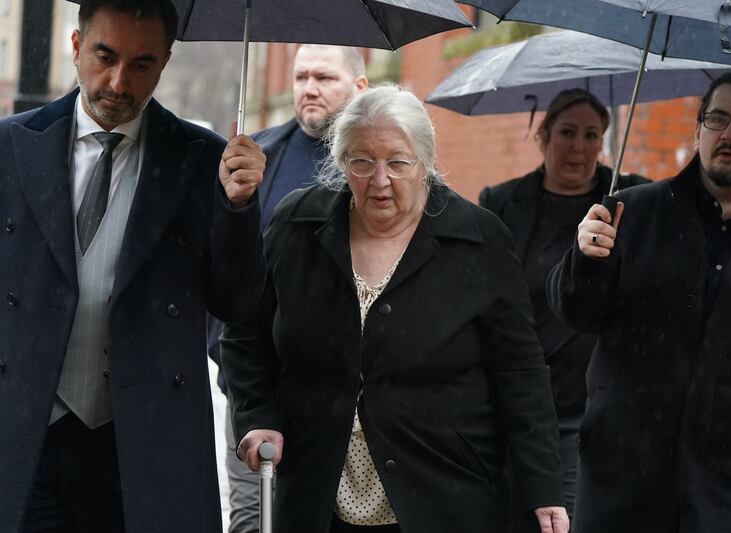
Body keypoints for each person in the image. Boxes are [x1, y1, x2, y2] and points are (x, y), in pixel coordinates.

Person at [220, 85, 569, 533]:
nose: (380, 180)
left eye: (398, 162)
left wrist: (543, 490)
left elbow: (521, 373)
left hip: (443, 493)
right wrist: (257, 417)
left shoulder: (479, 240)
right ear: (341, 163)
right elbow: (245, 332)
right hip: (316, 487)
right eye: (362, 162)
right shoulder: (296, 225)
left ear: (425, 163)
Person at [0, 1, 266, 532]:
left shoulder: (202, 159)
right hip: (25, 430)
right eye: (105, 56)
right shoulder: (9, 147)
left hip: (144, 443)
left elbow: (236, 302)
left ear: (165, 61)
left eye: (142, 64)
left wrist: (239, 209)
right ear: (76, 47)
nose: (119, 82)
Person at [548, 70, 731, 532]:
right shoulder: (631, 212)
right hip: (624, 484)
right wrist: (585, 257)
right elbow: (576, 311)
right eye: (717, 119)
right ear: (698, 128)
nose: (728, 134)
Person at [207, 44, 368, 533]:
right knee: (254, 517)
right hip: (255, 383)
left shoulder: (374, 164)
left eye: (324, 77)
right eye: (300, 78)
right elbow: (222, 260)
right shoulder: (254, 157)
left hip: (341, 395)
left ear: (360, 87)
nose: (309, 89)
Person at [479, 88, 648, 517]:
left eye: (592, 135)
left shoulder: (631, 201)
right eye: (567, 132)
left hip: (586, 404)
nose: (579, 146)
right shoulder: (501, 203)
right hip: (514, 401)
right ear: (544, 137)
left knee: (564, 518)